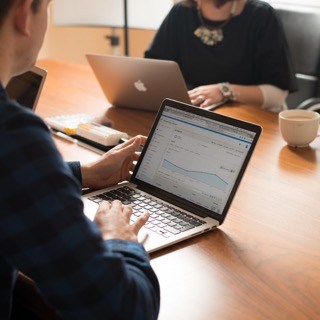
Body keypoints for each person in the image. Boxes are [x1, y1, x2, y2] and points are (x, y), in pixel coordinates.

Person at [0, 1, 160, 319]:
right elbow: (124, 310)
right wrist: (118, 236)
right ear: (24, 13)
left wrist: (85, 173)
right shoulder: (12, 135)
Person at [145, 0, 297, 112]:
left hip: (250, 122)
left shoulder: (262, 16)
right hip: (194, 116)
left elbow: (277, 94)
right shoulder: (180, 12)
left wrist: (224, 91)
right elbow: (153, 71)